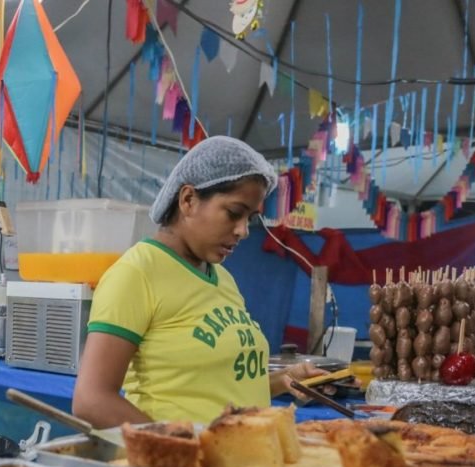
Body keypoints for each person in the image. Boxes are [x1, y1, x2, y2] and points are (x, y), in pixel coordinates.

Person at [72, 136, 330, 428]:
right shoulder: (137, 273)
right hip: (182, 456)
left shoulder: (223, 278)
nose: (243, 231)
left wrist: (284, 380)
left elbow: (219, 386)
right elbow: (92, 399)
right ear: (188, 200)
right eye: (234, 213)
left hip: (236, 451)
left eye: (249, 218)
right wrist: (183, 446)